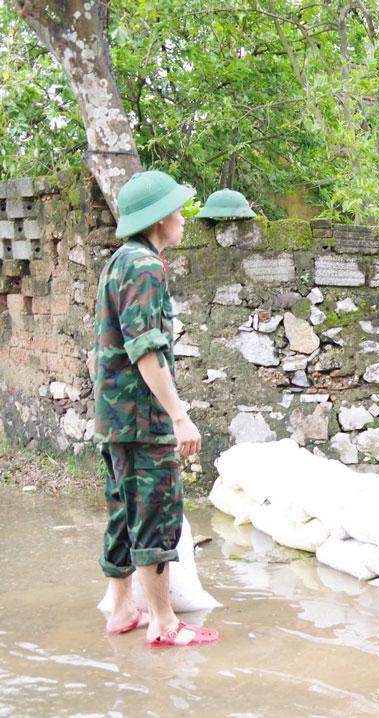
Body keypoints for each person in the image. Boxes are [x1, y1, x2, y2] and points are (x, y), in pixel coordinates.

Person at [94, 170, 218, 648]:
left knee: (124, 509)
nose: (183, 218)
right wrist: (179, 414)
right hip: (143, 420)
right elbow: (146, 349)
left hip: (115, 416)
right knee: (155, 512)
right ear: (161, 216)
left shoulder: (118, 262)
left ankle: (122, 607)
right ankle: (163, 622)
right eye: (179, 210)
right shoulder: (145, 267)